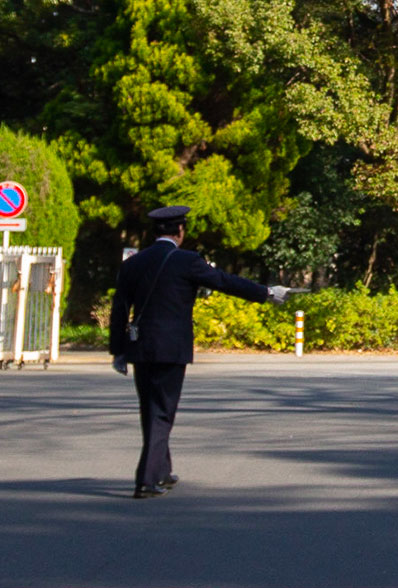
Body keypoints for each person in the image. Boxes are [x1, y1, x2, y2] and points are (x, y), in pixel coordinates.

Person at [108, 205, 288, 499]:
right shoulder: (187, 261)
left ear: (156, 232)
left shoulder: (133, 263)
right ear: (180, 231)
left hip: (140, 347)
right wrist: (266, 293)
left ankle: (162, 471)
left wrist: (118, 350)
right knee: (163, 412)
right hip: (172, 348)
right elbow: (225, 282)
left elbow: (119, 310)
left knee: (150, 410)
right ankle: (147, 479)